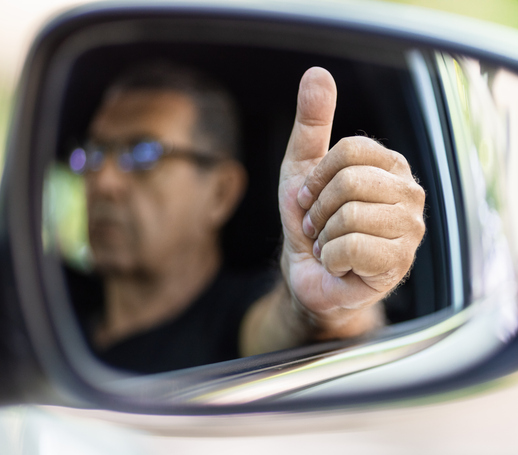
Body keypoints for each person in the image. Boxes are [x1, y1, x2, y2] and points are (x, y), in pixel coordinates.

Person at [68, 62, 426, 373]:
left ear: (221, 193)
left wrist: (329, 305)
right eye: (96, 152)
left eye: (143, 152)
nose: (104, 181)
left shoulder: (237, 317)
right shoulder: (54, 299)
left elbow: (292, 324)